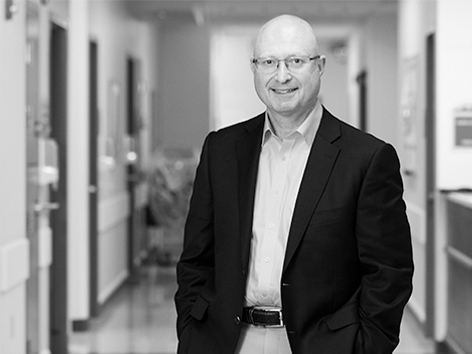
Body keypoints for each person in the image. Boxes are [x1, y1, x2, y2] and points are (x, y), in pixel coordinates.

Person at [175, 14, 413, 354]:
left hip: (325, 345)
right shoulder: (221, 150)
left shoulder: (367, 159)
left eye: (296, 61)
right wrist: (191, 329)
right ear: (254, 69)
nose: (281, 75)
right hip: (226, 342)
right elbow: (196, 258)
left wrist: (366, 347)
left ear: (320, 66)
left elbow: (390, 272)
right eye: (268, 62)